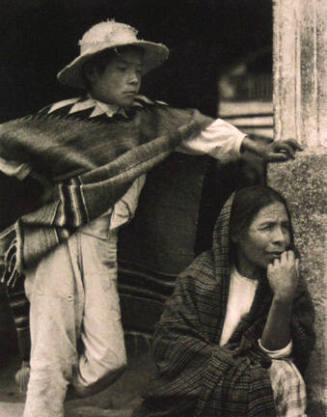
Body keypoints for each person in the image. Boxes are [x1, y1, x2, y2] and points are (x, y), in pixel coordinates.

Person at [0, 20, 302, 417]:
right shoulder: (61, 118)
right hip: (55, 238)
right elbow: (9, 145)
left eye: (137, 71)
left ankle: (38, 383)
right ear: (92, 72)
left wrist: (254, 146)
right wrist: (36, 176)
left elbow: (201, 130)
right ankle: (42, 391)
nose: (133, 79)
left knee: (109, 358)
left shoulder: (149, 119)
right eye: (122, 69)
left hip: (102, 243)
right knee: (53, 352)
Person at [133, 185, 315, 417]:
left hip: (250, 390)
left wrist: (282, 297)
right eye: (267, 227)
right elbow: (172, 348)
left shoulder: (289, 283)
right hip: (189, 398)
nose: (281, 239)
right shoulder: (199, 278)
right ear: (236, 233)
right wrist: (236, 371)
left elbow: (276, 356)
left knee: (285, 375)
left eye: (285, 227)